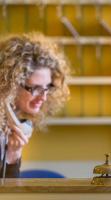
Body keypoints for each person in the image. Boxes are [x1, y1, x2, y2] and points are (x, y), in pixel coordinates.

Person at [0, 32, 70, 178]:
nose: (43, 97)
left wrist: (13, 155)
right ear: (10, 86)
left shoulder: (10, 125)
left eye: (47, 87)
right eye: (35, 88)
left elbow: (11, 191)